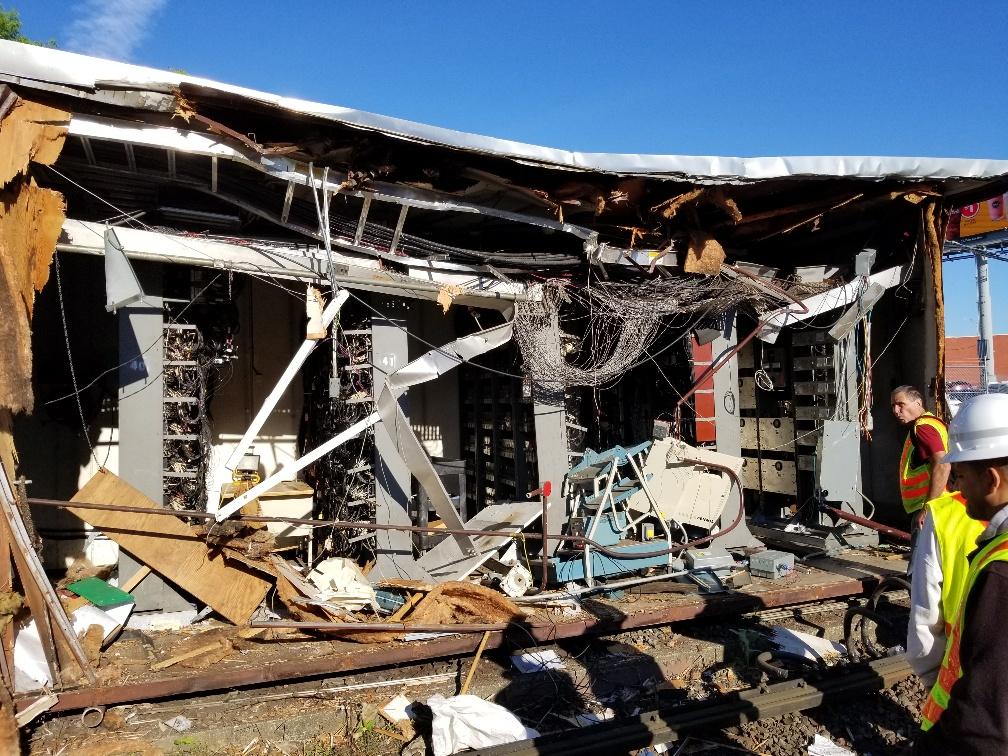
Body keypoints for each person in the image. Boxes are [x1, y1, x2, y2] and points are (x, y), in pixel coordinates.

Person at [913, 393, 1008, 753]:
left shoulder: (1001, 570)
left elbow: (987, 721)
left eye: (962, 474)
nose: (957, 487)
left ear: (991, 480)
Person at [906, 490, 984, 685]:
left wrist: (930, 677)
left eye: (960, 474)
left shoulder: (945, 514)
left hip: (966, 676)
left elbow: (926, 613)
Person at [892, 385, 950, 531]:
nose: (896, 411)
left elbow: (942, 465)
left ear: (918, 403)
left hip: (932, 508)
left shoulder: (922, 427)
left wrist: (927, 509)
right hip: (938, 505)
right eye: (893, 406)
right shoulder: (931, 423)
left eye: (901, 405)